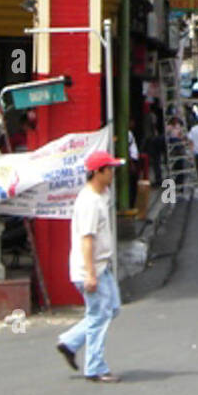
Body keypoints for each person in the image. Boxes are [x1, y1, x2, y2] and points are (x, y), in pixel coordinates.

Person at [56, 151, 125, 383]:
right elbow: (87, 240)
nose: (113, 173)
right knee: (98, 316)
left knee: (112, 308)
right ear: (98, 172)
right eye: (110, 169)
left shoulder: (101, 194)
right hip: (91, 269)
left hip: (102, 266)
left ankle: (70, 341)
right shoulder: (89, 203)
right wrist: (90, 275)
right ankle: (95, 367)